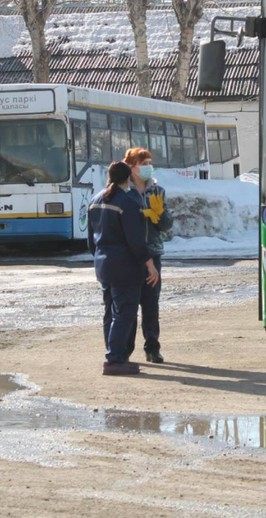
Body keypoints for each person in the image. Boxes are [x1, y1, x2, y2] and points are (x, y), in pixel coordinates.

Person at [87, 161, 160, 376]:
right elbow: (136, 240)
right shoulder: (126, 203)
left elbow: (91, 241)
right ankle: (115, 359)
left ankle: (113, 353)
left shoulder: (95, 200)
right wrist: (150, 265)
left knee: (110, 312)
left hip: (103, 266)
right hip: (124, 267)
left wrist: (101, 258)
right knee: (124, 313)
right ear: (127, 179)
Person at [123, 147, 173, 364]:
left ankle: (152, 347)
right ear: (132, 167)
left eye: (150, 163)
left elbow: (167, 224)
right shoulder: (123, 191)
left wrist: (159, 215)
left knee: (151, 303)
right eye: (143, 163)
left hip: (153, 251)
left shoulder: (157, 191)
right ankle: (125, 349)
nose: (148, 167)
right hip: (130, 255)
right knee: (129, 304)